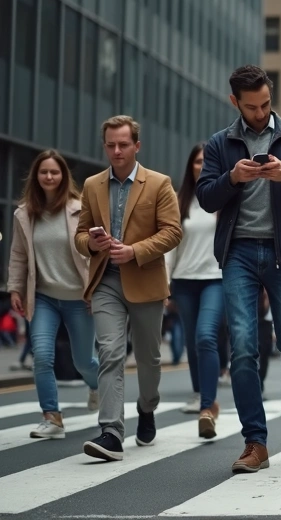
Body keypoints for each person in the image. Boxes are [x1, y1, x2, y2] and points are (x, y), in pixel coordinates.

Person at [196, 65, 281, 473]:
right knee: (243, 347)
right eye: (251, 106)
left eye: (266, 104)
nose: (260, 112)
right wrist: (232, 178)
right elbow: (205, 198)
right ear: (235, 102)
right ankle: (255, 441)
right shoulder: (220, 143)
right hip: (238, 252)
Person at [75, 116, 183, 461]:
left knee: (150, 359)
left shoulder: (160, 184)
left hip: (146, 282)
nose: (117, 151)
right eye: (111, 145)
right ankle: (111, 432)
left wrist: (135, 251)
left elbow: (172, 232)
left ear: (137, 146)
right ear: (104, 145)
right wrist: (91, 244)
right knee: (110, 353)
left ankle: (147, 406)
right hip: (105, 281)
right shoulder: (92, 185)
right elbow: (79, 235)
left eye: (123, 144)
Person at [7, 150, 99, 439]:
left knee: (84, 361)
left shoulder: (79, 208)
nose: (49, 176)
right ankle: (52, 416)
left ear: (63, 177)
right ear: (35, 176)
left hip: (78, 297)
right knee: (42, 357)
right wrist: (15, 288)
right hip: (43, 297)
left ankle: (98, 387)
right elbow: (18, 255)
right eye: (43, 172)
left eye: (54, 172)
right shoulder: (24, 214)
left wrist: (96, 287)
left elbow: (94, 251)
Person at [165, 144, 225, 438]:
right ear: (190, 166)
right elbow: (169, 246)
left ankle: (206, 406)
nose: (202, 166)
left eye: (207, 161)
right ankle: (201, 392)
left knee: (205, 336)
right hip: (183, 280)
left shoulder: (224, 199)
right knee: (191, 339)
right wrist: (165, 283)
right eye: (198, 162)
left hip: (216, 278)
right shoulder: (179, 200)